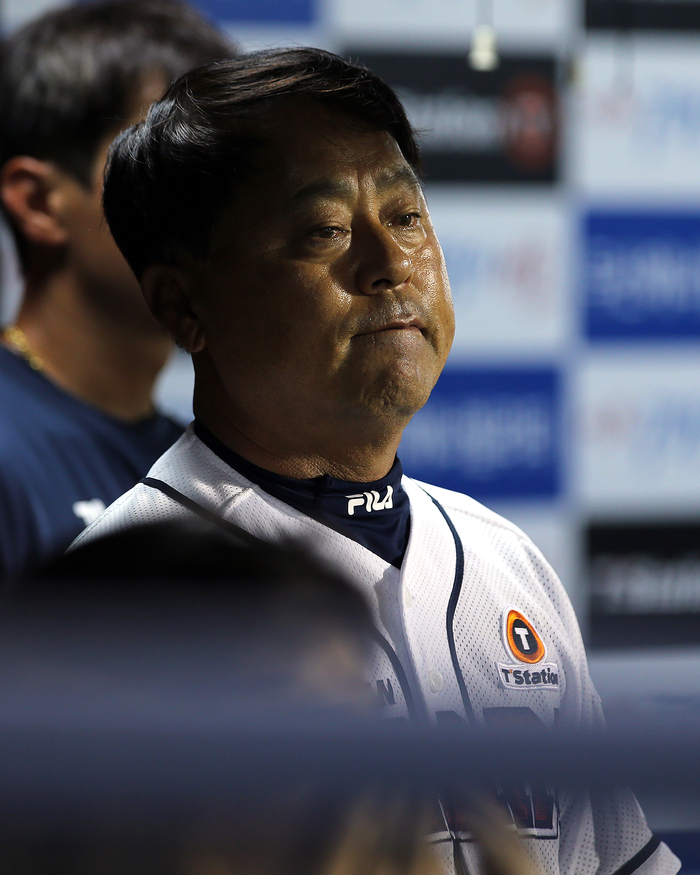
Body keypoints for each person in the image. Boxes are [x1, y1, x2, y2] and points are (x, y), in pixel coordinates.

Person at [75, 48, 680, 875]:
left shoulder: (505, 560)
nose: (392, 264)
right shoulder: (120, 605)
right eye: (325, 230)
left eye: (406, 216)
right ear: (184, 305)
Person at [0, 0, 234, 579]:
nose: (230, 208)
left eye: (229, 167)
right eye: (175, 160)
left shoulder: (213, 469)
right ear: (39, 202)